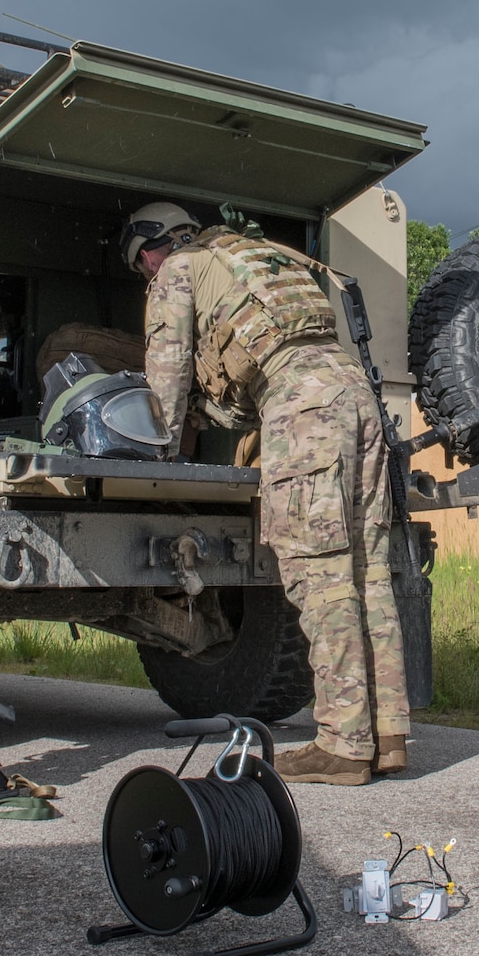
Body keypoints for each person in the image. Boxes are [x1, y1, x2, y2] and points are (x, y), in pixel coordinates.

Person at [121, 202, 408, 785]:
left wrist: (159, 452)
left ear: (153, 246)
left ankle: (343, 745)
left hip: (300, 403)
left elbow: (168, 369)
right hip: (352, 393)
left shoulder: (181, 269)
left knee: (319, 573)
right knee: (368, 572)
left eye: (140, 263)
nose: (146, 274)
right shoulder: (258, 254)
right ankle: (387, 735)